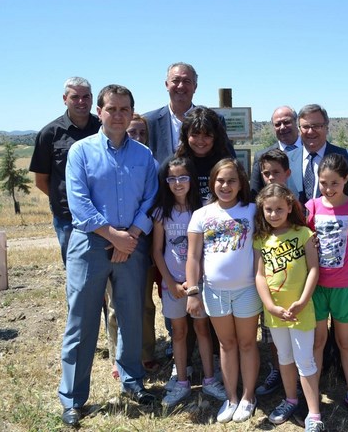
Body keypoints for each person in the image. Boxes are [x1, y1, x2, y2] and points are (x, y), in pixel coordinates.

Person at [58, 85, 158, 427]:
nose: (118, 115)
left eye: (124, 109)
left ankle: (132, 383)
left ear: (132, 113)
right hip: (89, 245)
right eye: (111, 109)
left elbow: (151, 199)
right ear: (99, 112)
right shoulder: (81, 152)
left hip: (132, 245)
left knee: (131, 317)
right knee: (81, 322)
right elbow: (78, 202)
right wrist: (113, 235)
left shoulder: (144, 156)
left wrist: (130, 236)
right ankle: (73, 398)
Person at [185, 158, 261, 423]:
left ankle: (248, 397)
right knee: (226, 344)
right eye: (220, 180)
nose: (225, 186)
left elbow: (259, 250)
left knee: (248, 343)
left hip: (247, 290)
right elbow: (193, 257)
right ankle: (231, 398)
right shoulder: (201, 215)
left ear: (241, 184)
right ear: (212, 182)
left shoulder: (253, 211)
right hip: (214, 292)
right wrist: (193, 291)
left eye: (231, 180)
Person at [150, 156, 227, 408]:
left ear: (192, 179)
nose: (178, 183)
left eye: (183, 177)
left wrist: (196, 281)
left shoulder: (204, 209)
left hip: (199, 283)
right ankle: (182, 381)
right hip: (173, 285)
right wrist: (170, 283)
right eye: (171, 178)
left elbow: (208, 249)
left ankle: (209, 379)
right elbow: (157, 252)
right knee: (179, 332)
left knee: (203, 329)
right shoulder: (162, 212)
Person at [305, 153, 348, 422]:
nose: (329, 189)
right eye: (323, 183)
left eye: (334, 183)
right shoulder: (310, 207)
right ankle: (314, 394)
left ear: (346, 180)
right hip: (318, 286)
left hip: (344, 286)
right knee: (318, 341)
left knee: (345, 342)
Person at [254, 183, 324, 431]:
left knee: (304, 360)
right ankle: (291, 399)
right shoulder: (261, 239)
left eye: (279, 209)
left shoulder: (303, 233)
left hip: (301, 310)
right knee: (284, 358)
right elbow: (260, 276)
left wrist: (303, 300)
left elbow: (314, 268)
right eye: (268, 210)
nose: (274, 214)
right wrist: (270, 306)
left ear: (289, 207)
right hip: (275, 313)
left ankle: (314, 414)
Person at [104, 113, 159, 380]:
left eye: (142, 133)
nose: (137, 137)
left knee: (144, 303)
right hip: (111, 239)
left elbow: (152, 201)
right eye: (133, 132)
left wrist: (133, 236)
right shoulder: (112, 159)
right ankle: (119, 356)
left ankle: (147, 353)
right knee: (116, 303)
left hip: (142, 241)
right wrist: (118, 238)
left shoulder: (149, 160)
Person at [29, 77, 100, 266]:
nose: (81, 102)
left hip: (104, 216)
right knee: (76, 271)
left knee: (106, 273)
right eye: (75, 97)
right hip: (68, 218)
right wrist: (70, 200)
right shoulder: (49, 134)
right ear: (64, 98)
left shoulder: (103, 128)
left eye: (86, 97)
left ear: (92, 98)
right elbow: (41, 180)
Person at [253, 148, 292, 397]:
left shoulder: (294, 205)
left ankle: (299, 374)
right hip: (269, 280)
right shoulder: (258, 208)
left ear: (287, 174)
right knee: (272, 334)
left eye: (276, 172)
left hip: (296, 283)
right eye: (266, 173)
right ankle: (278, 370)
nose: (270, 177)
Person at [286, 104, 348, 205]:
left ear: (326, 128)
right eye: (305, 127)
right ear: (299, 130)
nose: (310, 131)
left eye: (316, 126)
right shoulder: (288, 159)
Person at [145, 62, 199, 163]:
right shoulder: (149, 121)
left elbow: (225, 159)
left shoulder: (213, 121)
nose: (180, 86)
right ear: (166, 85)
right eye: (175, 80)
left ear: (195, 87)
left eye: (187, 81)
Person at [250, 106, 302, 197]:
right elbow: (255, 195)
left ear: (296, 122)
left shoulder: (311, 152)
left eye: (286, 122)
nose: (282, 127)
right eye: (277, 124)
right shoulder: (261, 156)